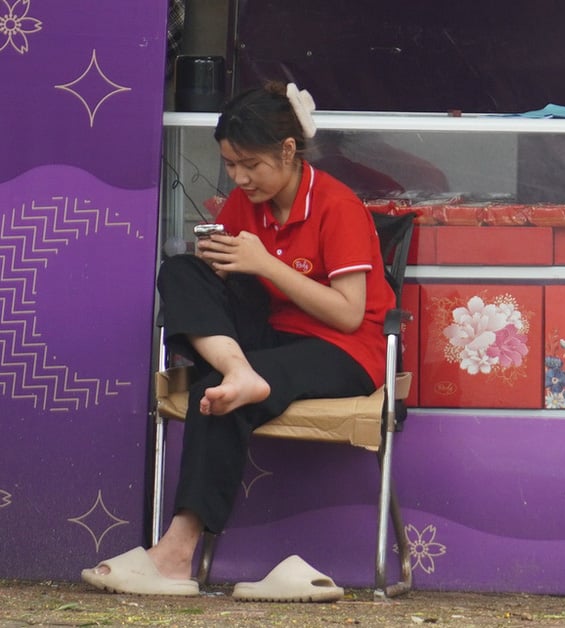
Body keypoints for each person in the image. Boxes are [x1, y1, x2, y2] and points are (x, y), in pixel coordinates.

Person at [81, 81, 393, 602]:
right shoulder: (246, 203)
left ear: (287, 151)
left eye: (250, 164)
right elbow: (229, 282)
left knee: (215, 396)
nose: (239, 177)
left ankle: (176, 555)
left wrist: (264, 264)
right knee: (181, 271)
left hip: (345, 350)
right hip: (268, 335)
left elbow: (348, 313)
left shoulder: (338, 206)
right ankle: (239, 370)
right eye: (229, 163)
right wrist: (217, 273)